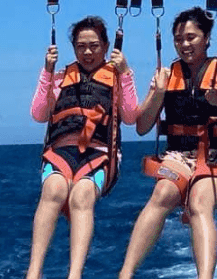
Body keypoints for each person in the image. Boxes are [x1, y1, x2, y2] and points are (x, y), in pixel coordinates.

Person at [118, 7, 217, 279]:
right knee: (162, 195)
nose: (184, 44)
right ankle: (125, 274)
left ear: (206, 39)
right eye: (179, 39)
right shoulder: (167, 76)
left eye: (191, 38)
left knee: (199, 203)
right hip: (178, 156)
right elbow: (143, 127)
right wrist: (157, 94)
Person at [26, 15, 139, 279]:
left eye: (94, 46)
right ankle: (33, 272)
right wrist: (47, 71)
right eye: (81, 46)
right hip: (61, 150)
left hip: (100, 154)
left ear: (106, 45)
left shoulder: (116, 77)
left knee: (82, 195)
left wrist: (125, 73)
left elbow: (132, 116)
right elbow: (39, 113)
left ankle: (74, 275)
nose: (87, 52)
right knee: (53, 189)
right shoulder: (62, 76)